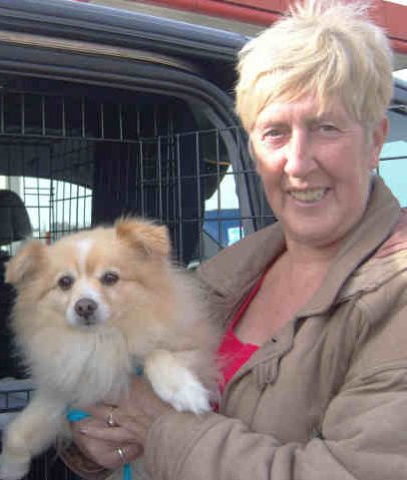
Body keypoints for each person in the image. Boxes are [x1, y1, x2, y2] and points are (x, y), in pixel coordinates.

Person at [60, 0, 407, 478]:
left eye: (326, 127)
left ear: (375, 141)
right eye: (275, 133)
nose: (298, 162)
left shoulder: (395, 294)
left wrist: (158, 429)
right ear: (253, 149)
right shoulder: (226, 275)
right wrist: (97, 440)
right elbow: (117, 395)